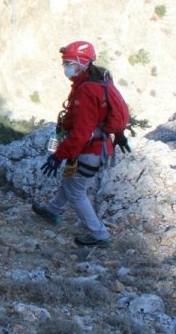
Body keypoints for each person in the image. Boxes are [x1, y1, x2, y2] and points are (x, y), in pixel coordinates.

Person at [33, 41, 129, 248]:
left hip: (89, 150)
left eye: (69, 63)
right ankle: (53, 211)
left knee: (76, 191)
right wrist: (119, 134)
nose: (65, 67)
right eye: (64, 63)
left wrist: (59, 155)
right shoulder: (101, 81)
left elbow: (81, 132)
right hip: (97, 148)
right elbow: (110, 112)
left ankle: (99, 234)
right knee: (70, 182)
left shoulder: (87, 90)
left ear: (83, 63)